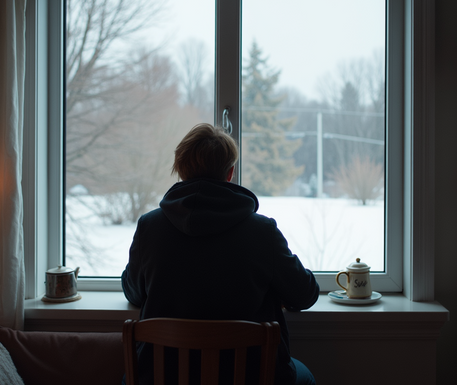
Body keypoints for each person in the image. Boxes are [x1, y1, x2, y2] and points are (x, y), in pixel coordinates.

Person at [122, 123, 319, 385]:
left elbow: (134, 292)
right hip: (251, 377)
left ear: (180, 170)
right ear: (230, 173)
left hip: (161, 377)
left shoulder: (149, 227)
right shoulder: (262, 231)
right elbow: (304, 295)